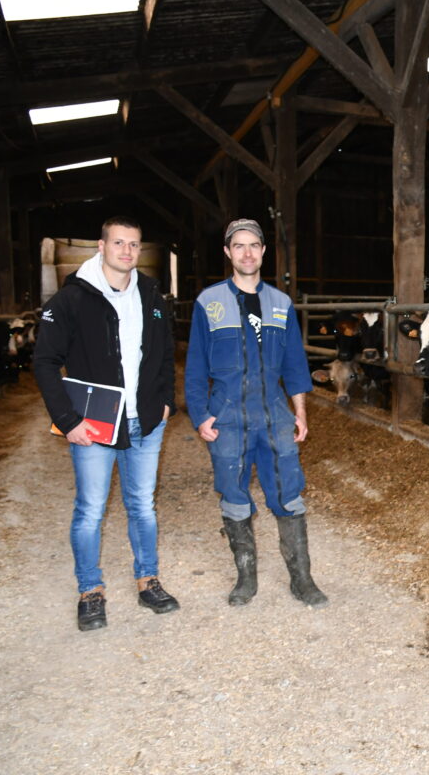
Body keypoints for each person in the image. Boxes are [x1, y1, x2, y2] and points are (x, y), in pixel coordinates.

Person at [34, 216, 178, 632]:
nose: (127, 252)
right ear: (101, 246)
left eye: (134, 244)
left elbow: (165, 351)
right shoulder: (72, 299)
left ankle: (148, 580)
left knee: (142, 506)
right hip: (93, 426)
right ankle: (90, 591)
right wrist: (66, 419)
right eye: (119, 243)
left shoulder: (150, 293)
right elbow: (45, 361)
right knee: (91, 509)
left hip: (146, 421)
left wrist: (166, 403)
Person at [184, 219, 327, 608]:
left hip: (275, 416)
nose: (247, 253)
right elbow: (195, 367)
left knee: (289, 494)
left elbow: (296, 365)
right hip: (228, 416)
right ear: (228, 253)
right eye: (239, 246)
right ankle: (246, 578)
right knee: (233, 496)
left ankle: (302, 579)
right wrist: (200, 415)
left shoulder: (281, 304)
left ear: (263, 252)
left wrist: (300, 413)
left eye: (254, 246)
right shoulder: (208, 303)